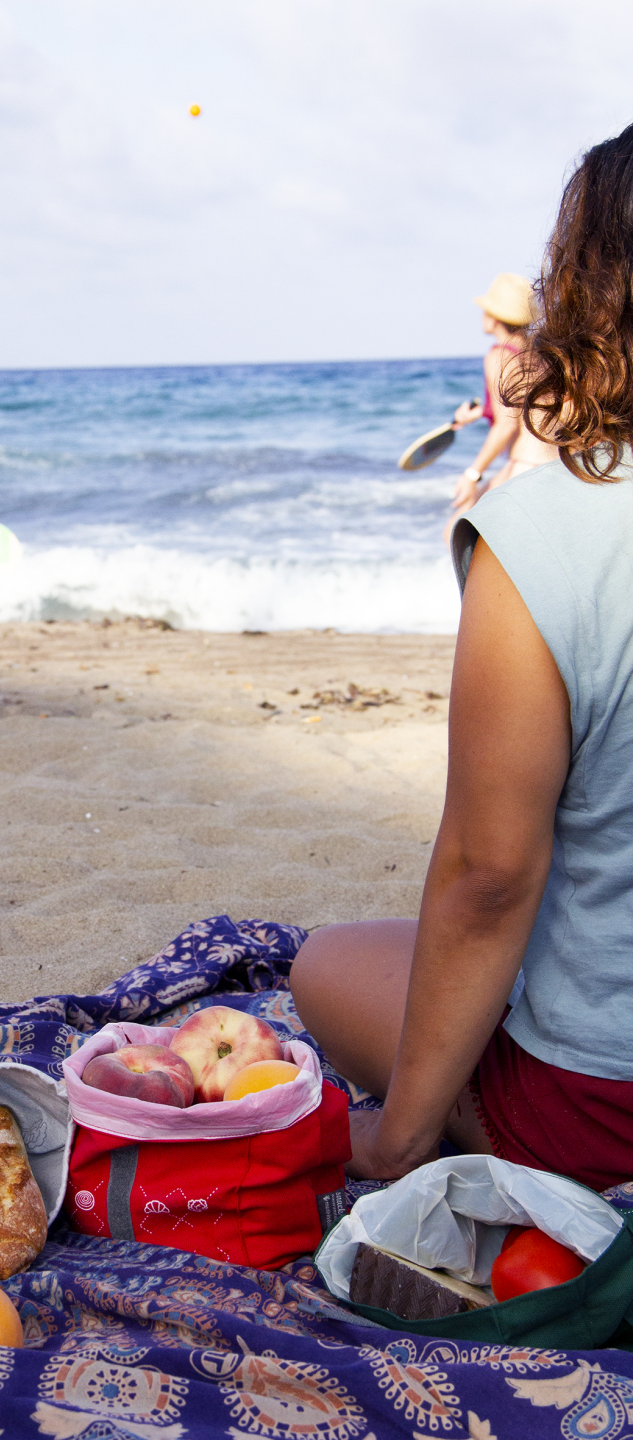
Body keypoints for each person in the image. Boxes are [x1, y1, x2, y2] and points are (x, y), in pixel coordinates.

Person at [290, 120, 633, 1192]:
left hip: (599, 1111)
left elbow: (491, 878)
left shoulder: (548, 535)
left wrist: (399, 1141)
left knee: (327, 964)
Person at [447, 274, 557, 524]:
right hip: (554, 465)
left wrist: (472, 474)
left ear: (495, 317)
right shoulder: (538, 354)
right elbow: (524, 406)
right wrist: (481, 413)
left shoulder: (498, 356)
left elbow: (507, 423)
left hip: (525, 466)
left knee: (455, 531)